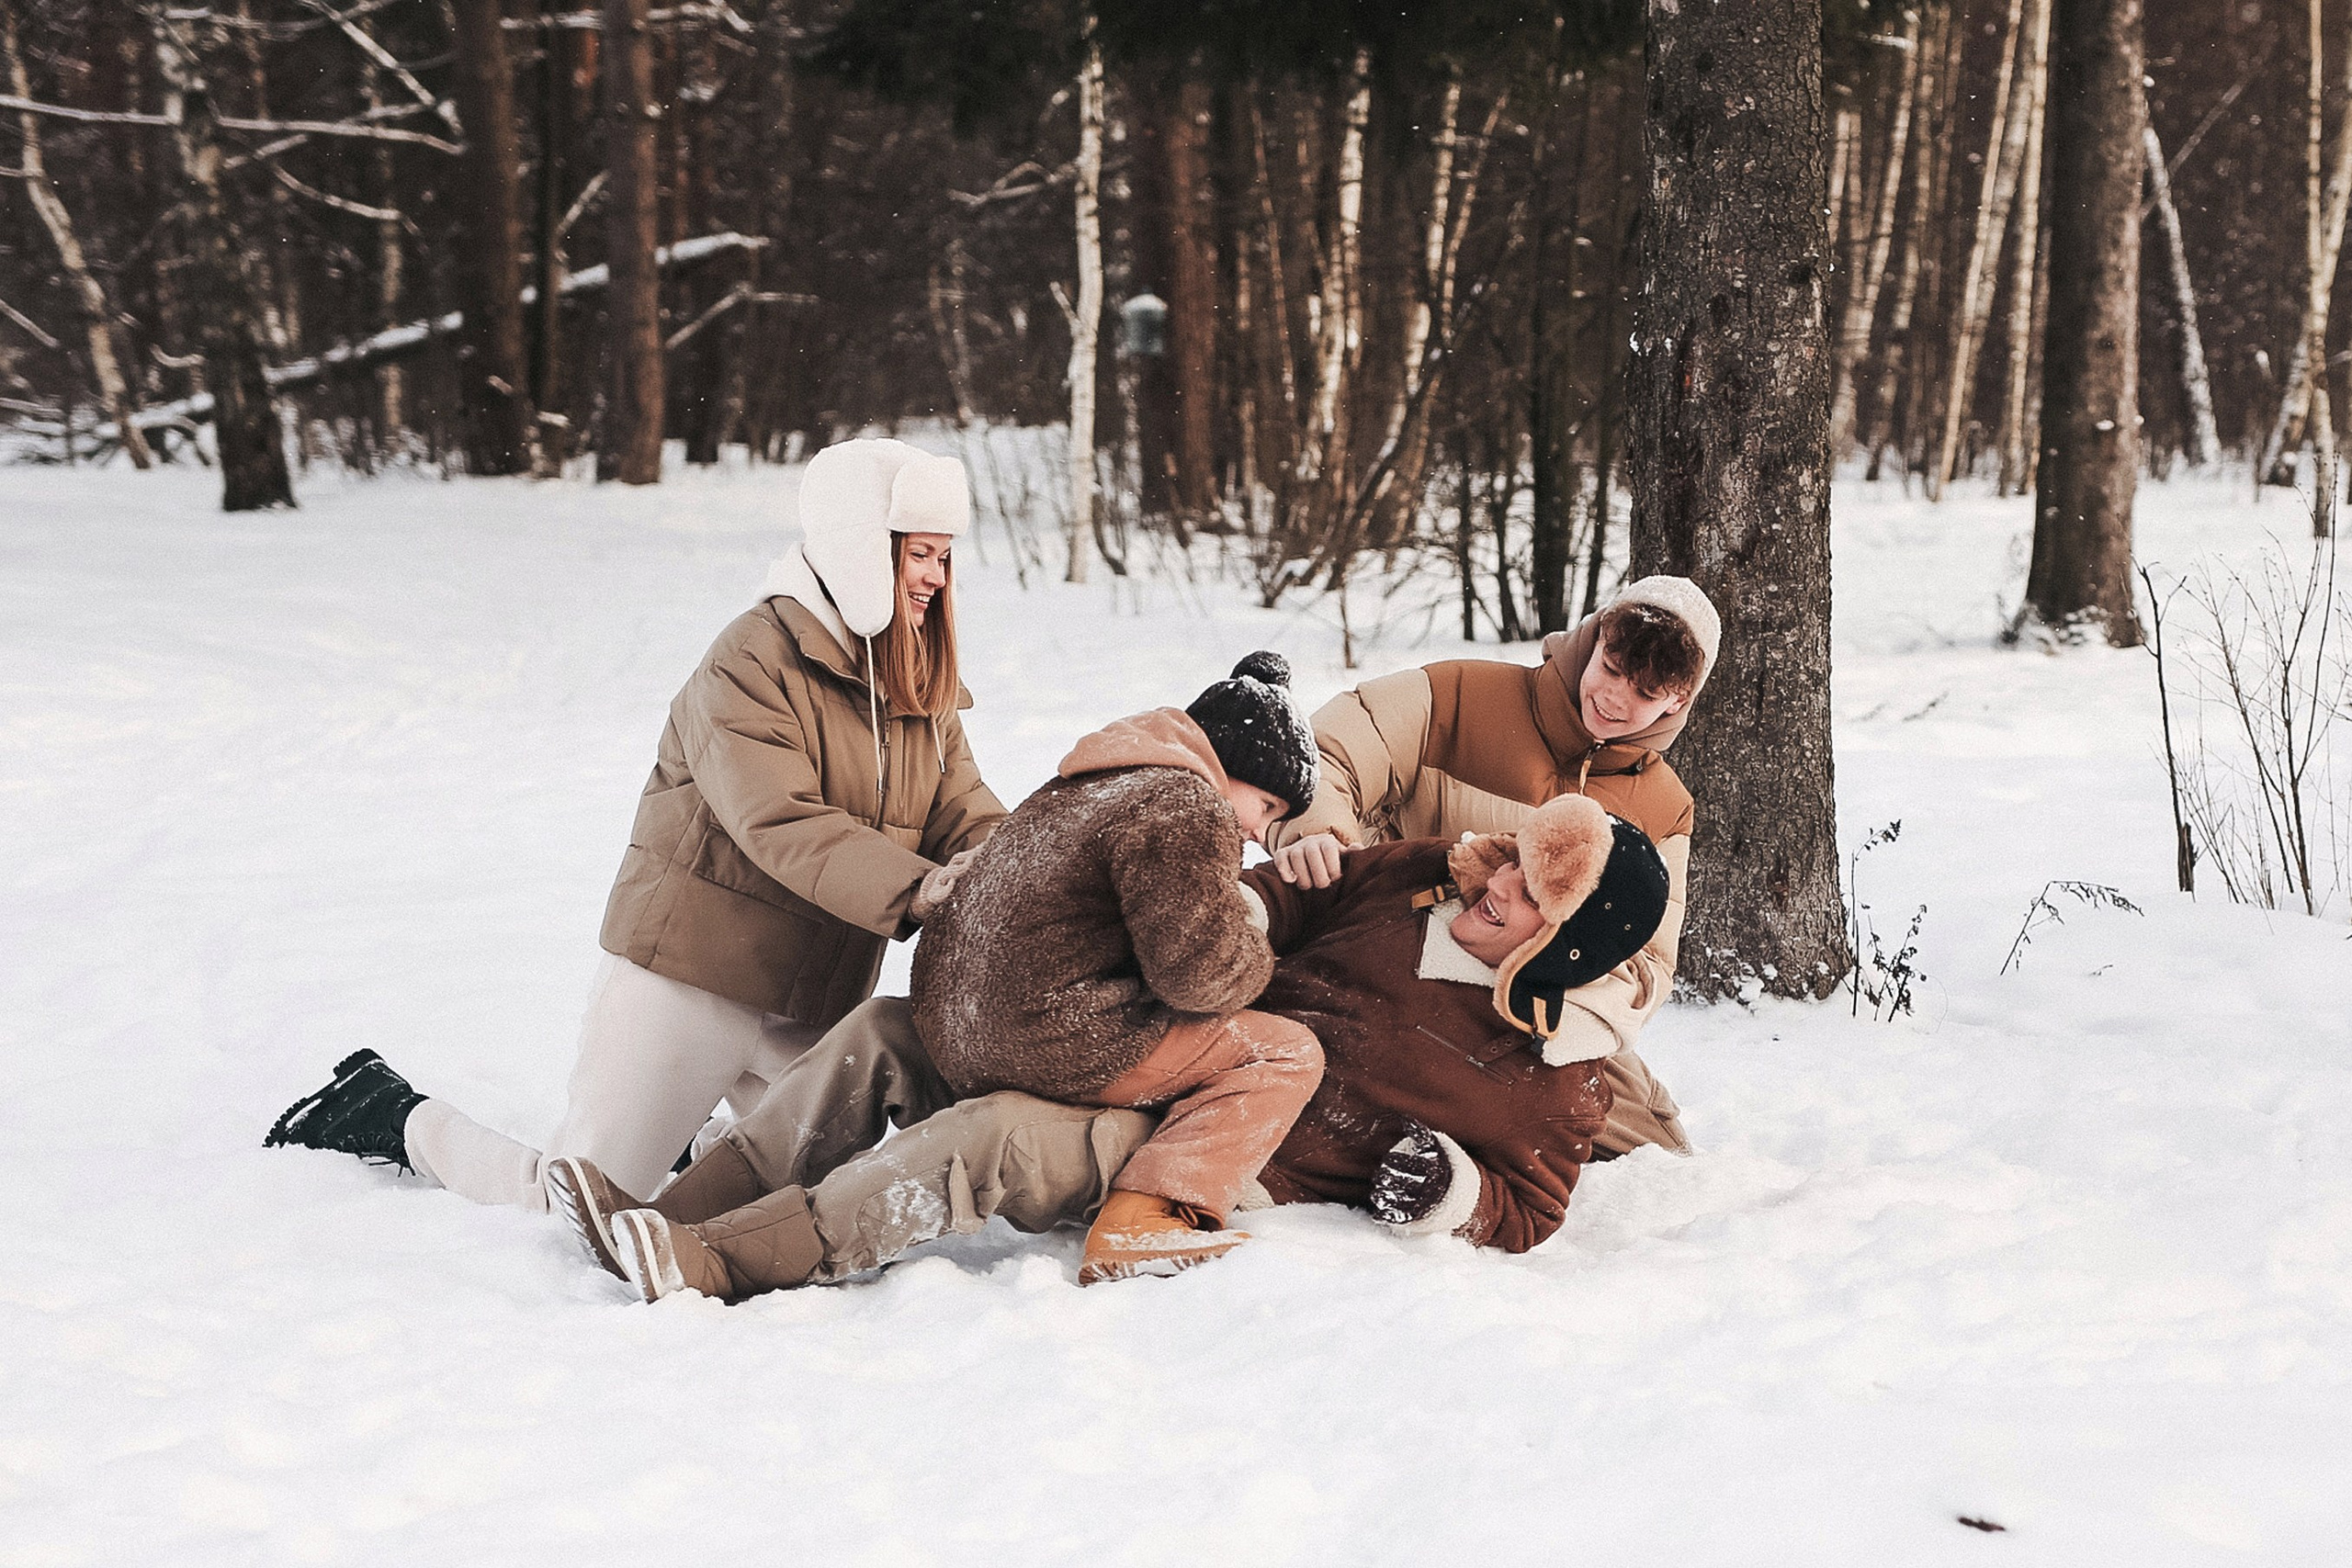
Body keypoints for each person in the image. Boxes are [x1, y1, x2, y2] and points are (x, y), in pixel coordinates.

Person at [263, 438, 1007, 1212]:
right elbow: (781, 821)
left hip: (811, 1001)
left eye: (945, 557)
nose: (935, 577)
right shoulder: (751, 660)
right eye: (920, 553)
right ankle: (388, 1111)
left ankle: (690, 1135)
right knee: (576, 1202)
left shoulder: (912, 681)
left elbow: (964, 809)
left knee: (796, 1205)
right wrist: (922, 890)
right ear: (862, 548)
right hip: (692, 981)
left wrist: (1023, 867)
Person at [545, 792, 1672, 1302]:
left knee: (992, 1139)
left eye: (1537, 897)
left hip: (1209, 1156)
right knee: (890, 1033)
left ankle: (725, 1267)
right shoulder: (1418, 877)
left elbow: (1529, 1208)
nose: (1501, 885)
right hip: (1176, 1042)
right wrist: (1279, 891)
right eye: (1521, 857)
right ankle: (681, 1213)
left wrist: (1455, 1194)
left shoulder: (1557, 1073)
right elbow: (1256, 916)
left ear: (1568, 950)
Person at [1262, 576, 1718, 1154]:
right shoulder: (1459, 694)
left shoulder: (1665, 808)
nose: (1615, 697)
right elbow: (1330, 752)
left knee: (1655, 1149)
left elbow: (1648, 965)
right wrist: (1317, 832)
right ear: (1596, 637)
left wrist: (1552, 994)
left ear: (1679, 702)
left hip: (1527, 1003)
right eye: (1612, 668)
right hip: (1390, 942)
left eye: (1646, 694)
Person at [913, 652, 1328, 1284]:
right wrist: (1256, 949)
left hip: (952, 1030)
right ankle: (1148, 1215)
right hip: (1042, 1038)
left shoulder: (1091, 778)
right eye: (1267, 805)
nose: (1256, 831)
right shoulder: (1188, 801)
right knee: (1287, 1052)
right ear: (1233, 766)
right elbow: (1199, 976)